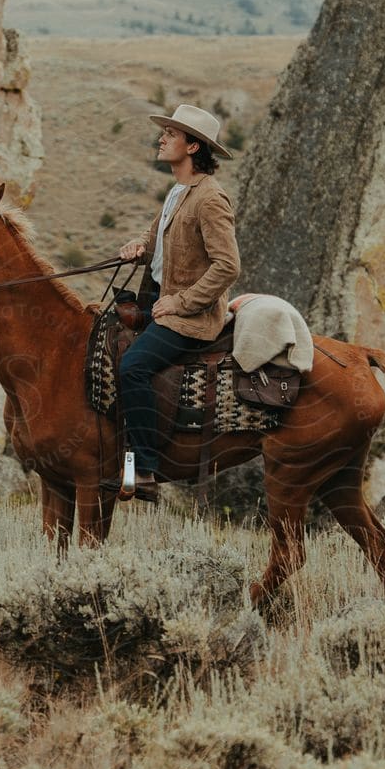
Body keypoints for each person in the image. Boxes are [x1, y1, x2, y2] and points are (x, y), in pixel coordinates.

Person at [117, 103, 242, 498]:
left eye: (171, 134)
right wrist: (141, 244)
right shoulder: (177, 191)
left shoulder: (210, 198)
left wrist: (181, 302)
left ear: (192, 147)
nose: (162, 138)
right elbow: (161, 240)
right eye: (165, 133)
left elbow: (227, 266)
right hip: (155, 300)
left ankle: (147, 471)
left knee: (132, 368)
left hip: (191, 316)